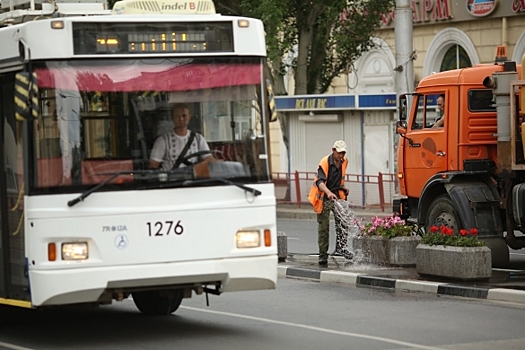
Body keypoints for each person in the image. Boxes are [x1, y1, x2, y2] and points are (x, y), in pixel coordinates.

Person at [308, 140, 351, 267]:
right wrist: (328, 193)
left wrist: (343, 188)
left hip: (337, 195)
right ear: (333, 150)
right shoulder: (325, 162)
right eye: (339, 153)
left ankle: (341, 248)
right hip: (324, 197)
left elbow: (339, 179)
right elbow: (320, 182)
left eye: (343, 153)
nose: (341, 156)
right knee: (324, 227)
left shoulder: (344, 162)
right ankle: (323, 256)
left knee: (343, 222)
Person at [149, 103, 214, 170]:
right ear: (173, 118)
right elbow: (153, 165)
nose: (181, 119)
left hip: (194, 179)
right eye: (177, 116)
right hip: (172, 179)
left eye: (184, 116)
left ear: (189, 116)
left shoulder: (198, 138)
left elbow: (209, 159)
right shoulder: (162, 141)